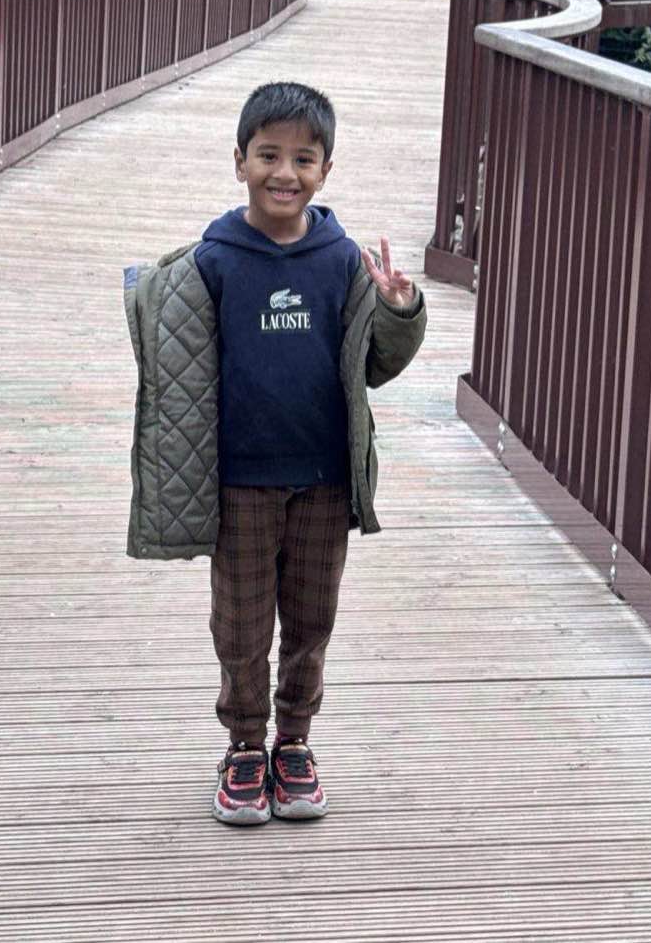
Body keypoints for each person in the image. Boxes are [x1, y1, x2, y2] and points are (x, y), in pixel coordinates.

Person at [124, 81, 426, 826]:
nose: (284, 173)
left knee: (311, 620)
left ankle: (295, 742)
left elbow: (374, 366)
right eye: (268, 155)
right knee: (240, 624)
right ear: (239, 161)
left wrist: (396, 309)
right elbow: (182, 370)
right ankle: (244, 746)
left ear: (325, 169)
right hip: (240, 483)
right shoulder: (214, 260)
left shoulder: (340, 260)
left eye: (303, 158)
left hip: (324, 479)